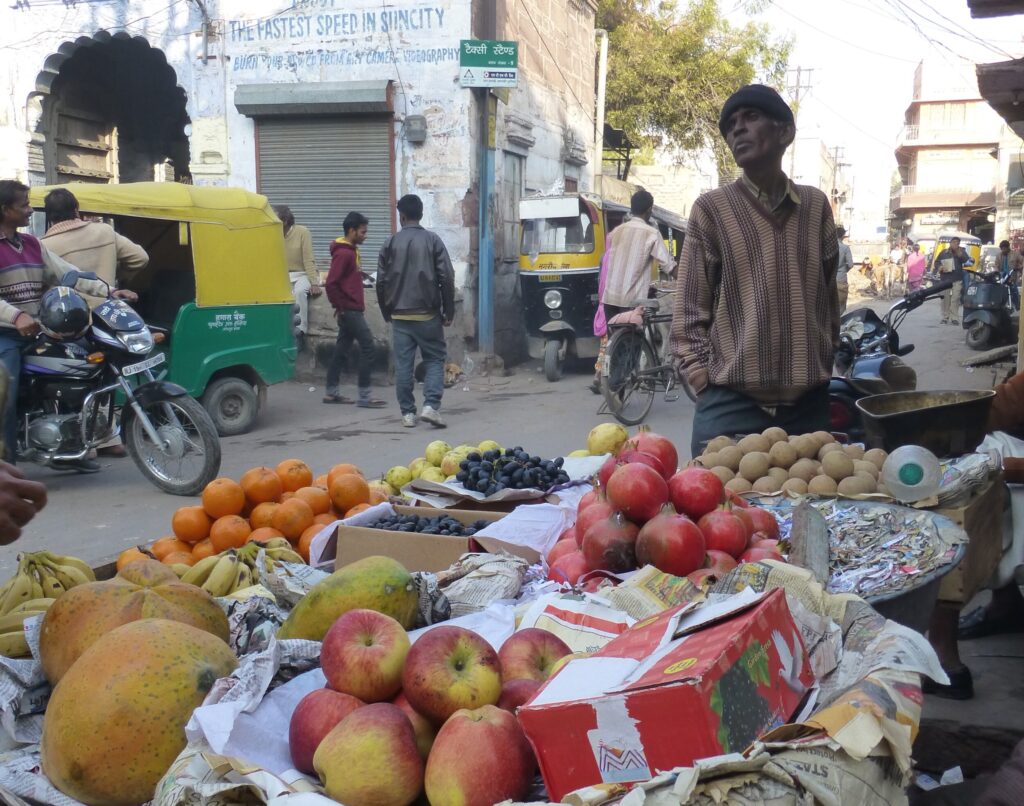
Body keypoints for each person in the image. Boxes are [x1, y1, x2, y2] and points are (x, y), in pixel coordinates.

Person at [670, 85, 839, 457]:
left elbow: (828, 301)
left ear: (785, 132)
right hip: (731, 406)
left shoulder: (815, 206)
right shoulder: (711, 209)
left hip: (807, 408)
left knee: (812, 510)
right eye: (731, 125)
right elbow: (687, 314)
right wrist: (703, 382)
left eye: (751, 117)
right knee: (718, 510)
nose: (737, 130)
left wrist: (822, 361)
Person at [0, 180, 135, 469]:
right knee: (6, 398)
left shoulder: (33, 244)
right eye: (23, 204)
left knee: (78, 373)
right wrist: (16, 317)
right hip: (6, 335)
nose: (29, 209)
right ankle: (7, 469)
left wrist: (107, 291)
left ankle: (68, 450)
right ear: (4, 210)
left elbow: (68, 273)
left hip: (40, 329)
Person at [41, 188, 149, 458]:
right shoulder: (103, 232)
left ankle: (83, 441)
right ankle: (109, 439)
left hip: (70, 321)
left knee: (76, 380)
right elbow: (140, 258)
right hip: (108, 312)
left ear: (49, 217)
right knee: (109, 376)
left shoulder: (44, 246)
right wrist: (117, 280)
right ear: (76, 210)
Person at [376, 194, 455, 429]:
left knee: (403, 364)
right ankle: (430, 406)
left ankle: (408, 414)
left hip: (399, 315)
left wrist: (385, 311)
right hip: (427, 314)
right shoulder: (433, 240)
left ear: (401, 216)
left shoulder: (389, 244)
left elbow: (381, 282)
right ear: (420, 214)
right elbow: (446, 277)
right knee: (434, 358)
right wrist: (448, 309)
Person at [323, 212, 385, 409]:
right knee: (368, 347)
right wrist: (340, 306)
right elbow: (331, 283)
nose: (365, 235)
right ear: (351, 231)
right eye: (363, 232)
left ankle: (332, 393)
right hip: (350, 310)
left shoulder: (350, 251)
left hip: (349, 308)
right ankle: (365, 396)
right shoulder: (344, 254)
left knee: (341, 349)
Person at [274, 205, 322, 350]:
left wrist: (314, 282)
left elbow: (308, 258)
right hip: (283, 275)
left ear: (285, 221)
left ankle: (299, 333)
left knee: (300, 292)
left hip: (302, 274)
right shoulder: (272, 234)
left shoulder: (302, 232)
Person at [934, 236, 974, 325]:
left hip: (957, 278)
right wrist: (940, 267)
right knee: (945, 298)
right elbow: (936, 262)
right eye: (954, 242)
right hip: (945, 279)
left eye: (957, 242)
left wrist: (960, 254)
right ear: (950, 243)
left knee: (955, 298)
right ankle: (945, 317)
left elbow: (967, 261)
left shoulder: (961, 251)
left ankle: (954, 318)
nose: (956, 244)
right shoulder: (944, 252)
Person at [996, 239, 1022, 311]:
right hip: (1002, 275)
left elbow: (1022, 262)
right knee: (1000, 290)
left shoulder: (1015, 254)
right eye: (1002, 249)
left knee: (1013, 289)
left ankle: (1017, 305)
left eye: (1005, 248)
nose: (1003, 250)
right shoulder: (998, 255)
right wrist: (997, 272)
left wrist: (1019, 268)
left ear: (1008, 247)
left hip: (1012, 275)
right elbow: (996, 266)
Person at [836, 226, 853, 313]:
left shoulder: (825, 247)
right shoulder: (845, 248)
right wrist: (843, 270)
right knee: (841, 306)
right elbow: (850, 264)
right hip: (841, 280)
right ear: (843, 236)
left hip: (827, 280)